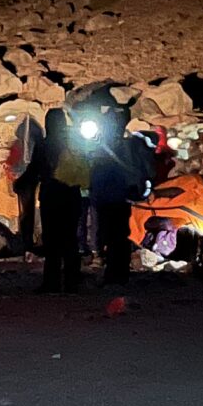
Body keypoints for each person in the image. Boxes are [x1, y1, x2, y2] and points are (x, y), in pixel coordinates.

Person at [86, 107, 144, 286]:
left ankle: (115, 273)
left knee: (112, 236)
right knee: (117, 235)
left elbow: (97, 171)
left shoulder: (106, 147)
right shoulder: (124, 146)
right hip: (117, 197)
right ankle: (119, 273)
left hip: (109, 197)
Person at [38, 106, 89, 293]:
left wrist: (21, 183)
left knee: (52, 241)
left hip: (52, 195)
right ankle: (72, 282)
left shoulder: (45, 144)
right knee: (70, 239)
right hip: (72, 195)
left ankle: (51, 283)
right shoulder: (75, 143)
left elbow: (36, 168)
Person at [6, 111, 45, 257]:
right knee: (27, 213)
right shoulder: (20, 145)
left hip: (33, 180)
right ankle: (28, 240)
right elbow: (14, 162)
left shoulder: (38, 146)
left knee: (33, 213)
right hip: (28, 181)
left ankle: (33, 239)